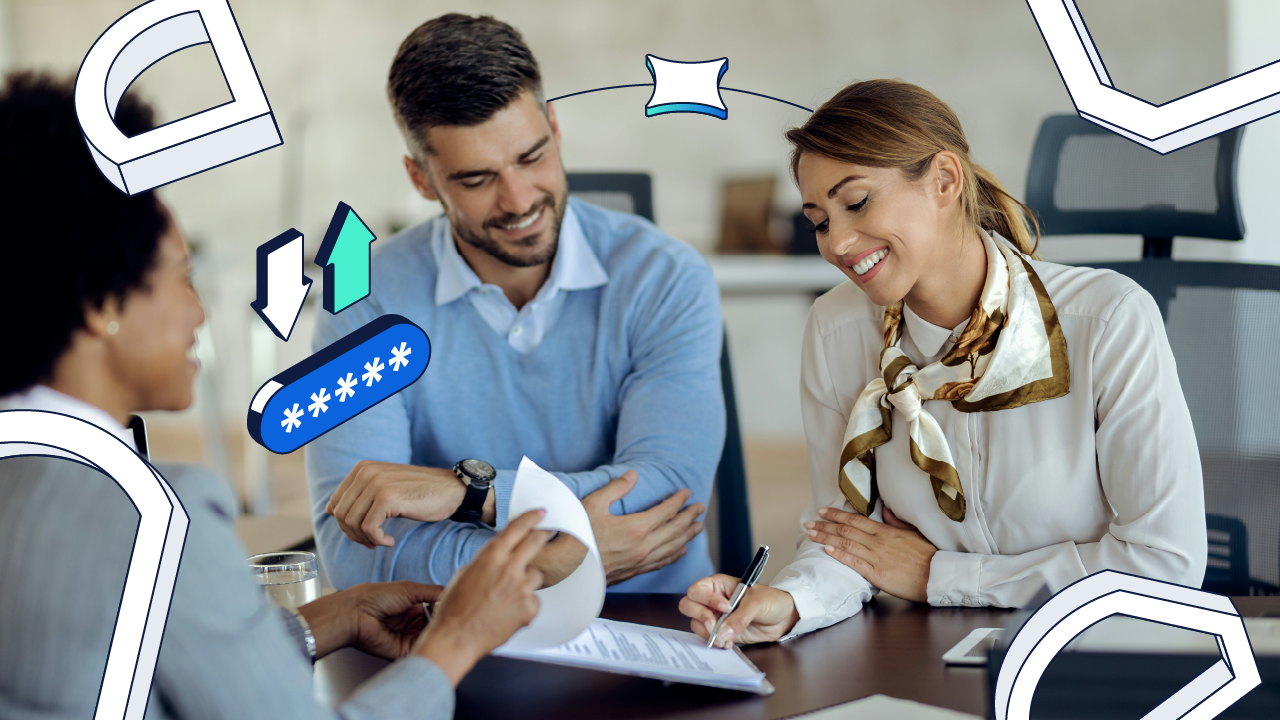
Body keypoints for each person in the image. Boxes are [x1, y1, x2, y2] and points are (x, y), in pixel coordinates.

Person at [0, 71, 551, 720]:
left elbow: (111, 665)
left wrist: (326, 620)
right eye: (180, 278)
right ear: (101, 305)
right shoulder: (153, 516)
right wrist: (457, 641)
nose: (198, 312)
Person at [680, 80, 1207, 647]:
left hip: (1088, 650)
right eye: (819, 220)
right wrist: (787, 604)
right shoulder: (837, 329)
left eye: (855, 203)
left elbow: (1165, 565)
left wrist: (940, 577)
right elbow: (851, 541)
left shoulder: (1106, 320)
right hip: (925, 654)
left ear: (945, 181)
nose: (836, 243)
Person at [308, 14, 724, 593]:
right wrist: (557, 559)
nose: (520, 199)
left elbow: (669, 497)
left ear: (553, 126)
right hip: (463, 649)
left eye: (532, 157)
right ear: (422, 179)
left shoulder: (667, 277)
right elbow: (356, 555)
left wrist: (473, 492)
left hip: (657, 627)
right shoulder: (361, 298)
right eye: (477, 180)